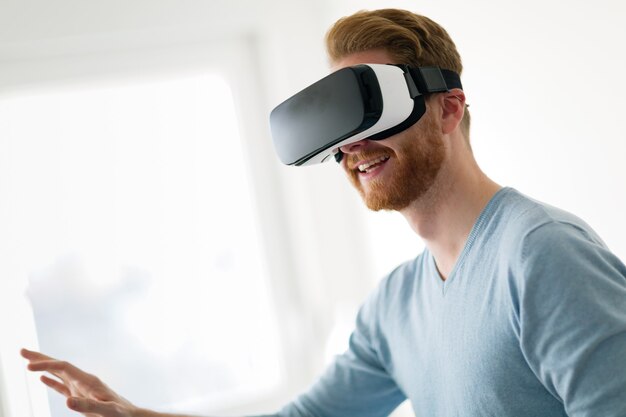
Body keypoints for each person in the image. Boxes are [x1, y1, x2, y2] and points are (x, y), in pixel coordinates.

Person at [22, 8, 626, 417]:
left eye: (373, 112)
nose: (353, 147)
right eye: (341, 128)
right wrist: (137, 414)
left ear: (448, 108)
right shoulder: (394, 307)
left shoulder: (543, 255)